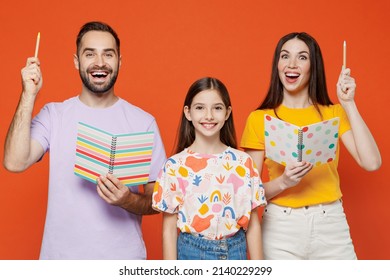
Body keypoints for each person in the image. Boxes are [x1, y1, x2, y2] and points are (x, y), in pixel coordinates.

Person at [3, 21, 166, 259]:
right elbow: (14, 163)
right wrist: (28, 95)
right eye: (90, 54)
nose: (99, 62)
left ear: (119, 61)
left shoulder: (144, 122)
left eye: (108, 54)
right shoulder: (54, 116)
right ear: (77, 61)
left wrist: (128, 200)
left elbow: (157, 200)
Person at [240, 32, 381, 260]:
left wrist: (348, 104)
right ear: (277, 64)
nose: (292, 64)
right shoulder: (259, 119)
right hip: (280, 227)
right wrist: (284, 182)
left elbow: (372, 162)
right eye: (285, 56)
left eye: (302, 57)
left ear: (313, 66)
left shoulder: (332, 113)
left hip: (330, 224)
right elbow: (249, 193)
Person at [152, 77, 266, 260]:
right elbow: (169, 230)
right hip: (191, 253)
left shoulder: (244, 163)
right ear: (188, 113)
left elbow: (252, 224)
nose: (209, 116)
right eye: (200, 108)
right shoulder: (174, 166)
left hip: (235, 252)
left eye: (217, 108)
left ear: (227, 112)